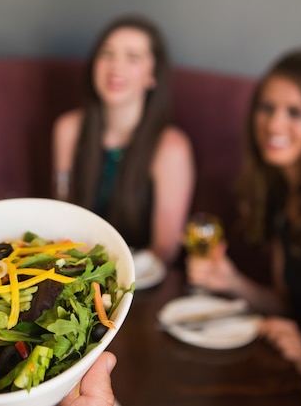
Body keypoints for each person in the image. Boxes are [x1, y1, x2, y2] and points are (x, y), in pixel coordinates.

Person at [187, 47, 301, 405]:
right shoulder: (283, 193)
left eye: (296, 113)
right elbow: (288, 305)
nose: (274, 125)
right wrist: (232, 281)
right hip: (298, 374)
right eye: (267, 107)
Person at [52, 15, 195, 266]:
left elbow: (165, 248)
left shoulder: (171, 147)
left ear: (153, 76)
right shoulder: (68, 129)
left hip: (140, 277)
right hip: (75, 270)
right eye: (107, 54)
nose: (115, 67)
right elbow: (61, 213)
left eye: (133, 57)